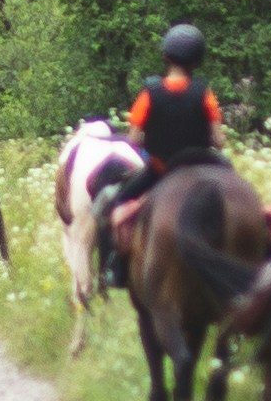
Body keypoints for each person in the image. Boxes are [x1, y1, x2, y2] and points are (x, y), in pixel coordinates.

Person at [91, 22, 227, 279]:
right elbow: (218, 142)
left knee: (112, 202)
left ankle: (115, 268)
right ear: (197, 60)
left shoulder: (149, 94)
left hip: (160, 171)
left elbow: (133, 139)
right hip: (199, 170)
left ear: (165, 56)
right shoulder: (204, 94)